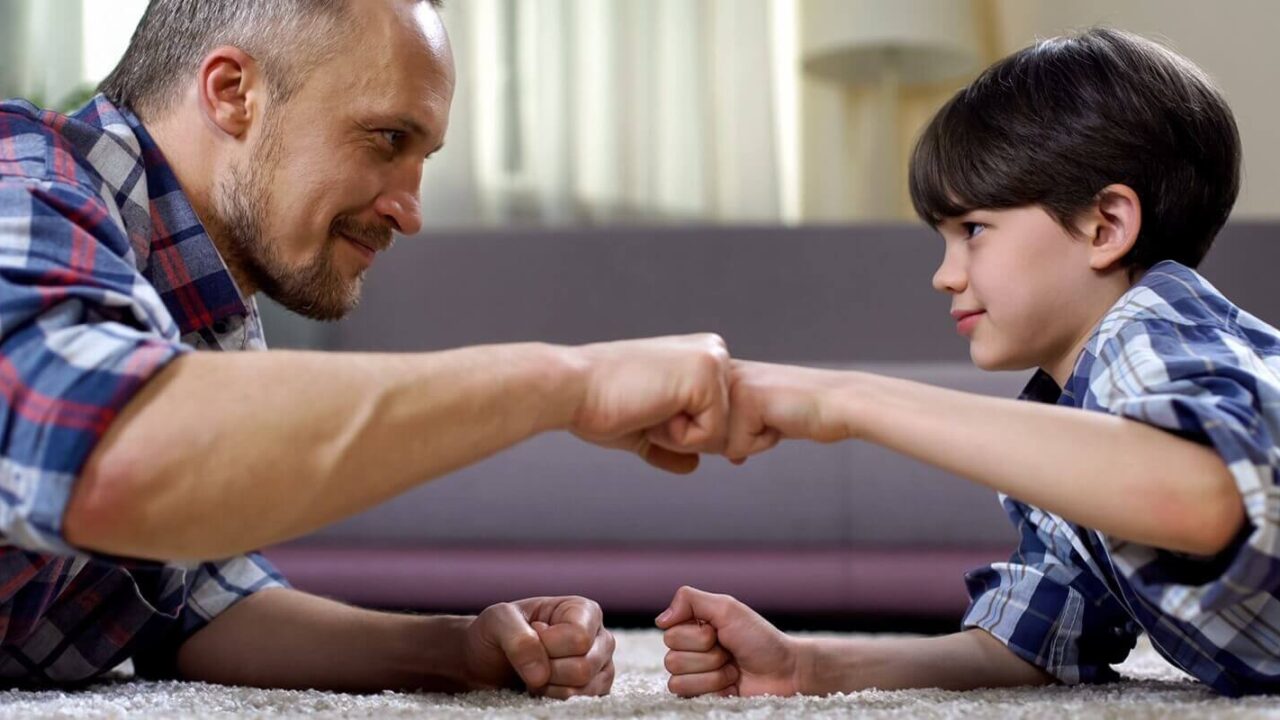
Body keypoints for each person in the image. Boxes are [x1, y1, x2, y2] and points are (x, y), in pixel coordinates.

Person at [0, 0, 732, 693]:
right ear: (231, 93)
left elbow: (199, 600)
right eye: (387, 139)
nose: (408, 212)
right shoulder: (21, 186)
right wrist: (573, 383)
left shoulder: (208, 312)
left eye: (424, 158)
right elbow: (95, 448)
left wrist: (456, 652)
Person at [659, 27, 1280, 697]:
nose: (944, 276)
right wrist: (807, 666)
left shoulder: (1149, 330)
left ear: (1106, 227)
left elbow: (1206, 497)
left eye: (974, 230)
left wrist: (845, 401)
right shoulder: (1067, 423)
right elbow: (1036, 639)